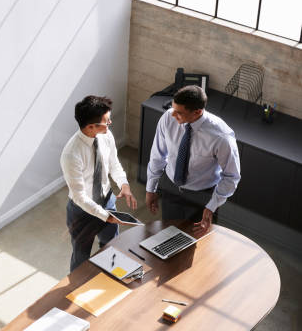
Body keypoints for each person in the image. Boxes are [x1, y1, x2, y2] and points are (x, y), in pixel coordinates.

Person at [145, 85, 241, 237]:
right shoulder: (168, 118)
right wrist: (151, 188)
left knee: (196, 244)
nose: (172, 115)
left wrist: (212, 206)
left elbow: (231, 177)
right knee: (168, 237)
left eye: (179, 113)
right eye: (172, 108)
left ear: (197, 112)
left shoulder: (221, 137)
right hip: (171, 188)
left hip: (202, 199)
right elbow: (158, 155)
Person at [61, 95, 137, 273]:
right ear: (90, 126)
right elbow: (80, 197)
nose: (110, 122)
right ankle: (77, 291)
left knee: (111, 248)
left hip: (107, 200)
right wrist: (106, 216)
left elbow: (114, 164)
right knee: (81, 258)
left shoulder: (105, 135)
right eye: (106, 121)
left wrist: (123, 184)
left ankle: (110, 281)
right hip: (82, 212)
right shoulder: (71, 154)